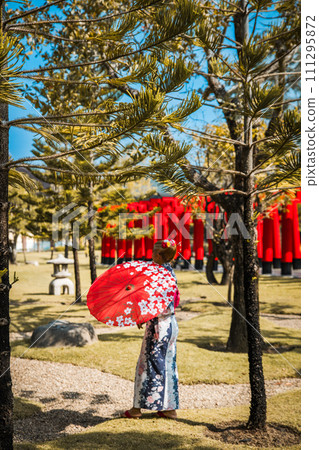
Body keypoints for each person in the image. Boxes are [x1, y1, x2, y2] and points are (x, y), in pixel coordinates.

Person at [123, 239, 180, 419]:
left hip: (158, 326)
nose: (151, 254)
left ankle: (137, 408)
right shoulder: (168, 272)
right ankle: (168, 407)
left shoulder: (159, 275)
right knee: (166, 364)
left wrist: (142, 315)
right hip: (168, 324)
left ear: (158, 255)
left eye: (154, 252)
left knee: (147, 364)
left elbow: (156, 304)